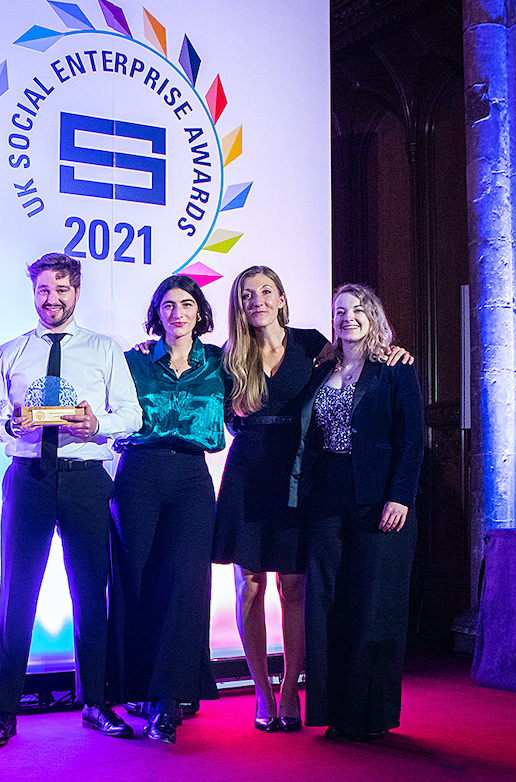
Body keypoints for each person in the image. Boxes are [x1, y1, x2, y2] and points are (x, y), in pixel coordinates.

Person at [0, 252, 142, 748]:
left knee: (92, 593)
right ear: (34, 292)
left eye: (62, 290)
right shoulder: (10, 352)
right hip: (27, 478)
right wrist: (11, 423)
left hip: (87, 478)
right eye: (44, 290)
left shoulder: (104, 350)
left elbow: (131, 415)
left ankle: (95, 702)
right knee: (16, 595)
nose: (53, 299)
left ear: (77, 291)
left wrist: (99, 425)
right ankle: (3, 710)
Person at [290, 283, 423, 740]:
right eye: (339, 311)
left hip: (381, 502)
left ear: (373, 315)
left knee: (374, 606)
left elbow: (410, 441)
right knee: (325, 605)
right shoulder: (321, 367)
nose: (347, 317)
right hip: (326, 499)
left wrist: (401, 496)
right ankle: (336, 714)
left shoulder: (394, 369)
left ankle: (372, 715)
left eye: (357, 309)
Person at [106, 275, 222, 744]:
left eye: (187, 304)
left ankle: (168, 700)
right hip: (138, 472)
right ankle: (133, 687)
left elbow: (277, 359)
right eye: (168, 305)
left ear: (200, 312)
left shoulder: (221, 361)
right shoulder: (132, 362)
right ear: (157, 314)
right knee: (133, 579)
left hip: (192, 477)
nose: (177, 312)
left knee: (185, 584)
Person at [211, 266, 328, 733]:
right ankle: (260, 689)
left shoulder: (314, 343)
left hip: (297, 470)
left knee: (294, 587)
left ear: (282, 298)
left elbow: (361, 362)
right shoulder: (228, 356)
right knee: (250, 585)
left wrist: (394, 351)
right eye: (246, 295)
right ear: (239, 305)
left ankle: (289, 689)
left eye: (265, 292)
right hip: (246, 473)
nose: (256, 300)